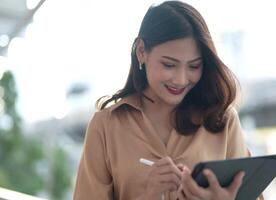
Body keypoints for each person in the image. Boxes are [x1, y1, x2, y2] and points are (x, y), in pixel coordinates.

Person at [74, 1, 263, 200]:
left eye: (194, 66)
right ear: (141, 51)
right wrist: (149, 195)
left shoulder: (222, 120)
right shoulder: (105, 126)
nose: (181, 79)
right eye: (169, 65)